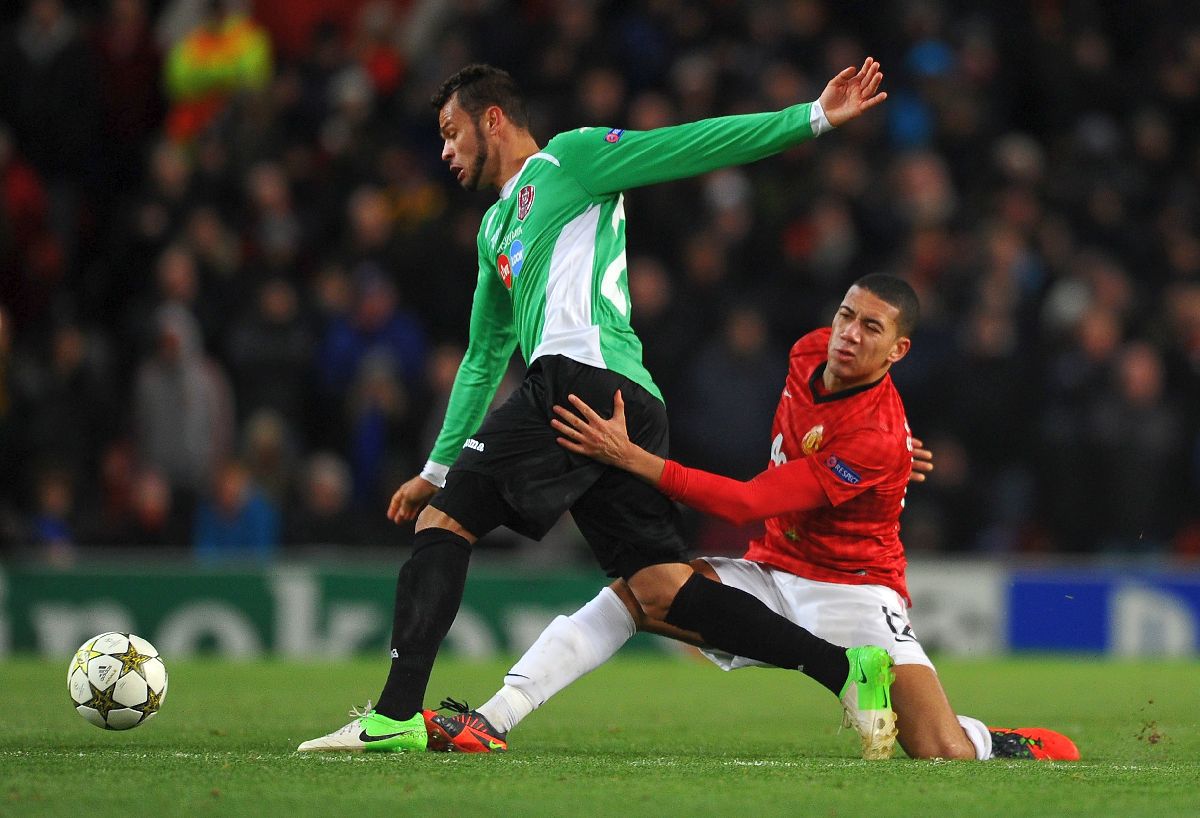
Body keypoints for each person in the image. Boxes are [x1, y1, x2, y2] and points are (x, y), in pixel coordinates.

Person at [299, 60, 899, 758]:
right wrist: (437, 463)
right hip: (612, 405)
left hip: (583, 378)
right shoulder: (495, 230)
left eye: (451, 132)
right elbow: (482, 356)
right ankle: (846, 669)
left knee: (446, 521)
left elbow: (690, 144)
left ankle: (395, 716)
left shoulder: (572, 159)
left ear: (493, 118)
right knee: (657, 588)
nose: (445, 151)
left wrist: (813, 117)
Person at [423, 275, 1079, 761]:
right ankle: (494, 717)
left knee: (939, 753)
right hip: (772, 568)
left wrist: (632, 458)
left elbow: (745, 502)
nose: (849, 334)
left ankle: (994, 738)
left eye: (871, 329)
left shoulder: (877, 437)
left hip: (855, 587)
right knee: (640, 590)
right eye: (847, 316)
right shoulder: (808, 354)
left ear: (898, 350)